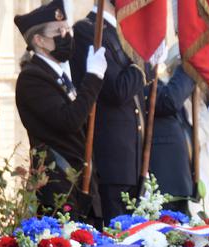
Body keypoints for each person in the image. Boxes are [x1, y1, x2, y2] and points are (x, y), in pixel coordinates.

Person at [14, 0, 107, 222]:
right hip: (58, 186)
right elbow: (69, 121)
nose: (67, 36)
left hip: (79, 184)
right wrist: (93, 78)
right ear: (39, 40)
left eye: (67, 29)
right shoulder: (32, 78)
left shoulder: (58, 75)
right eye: (59, 31)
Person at [71, 0, 154, 225]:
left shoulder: (120, 33)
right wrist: (143, 61)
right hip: (111, 161)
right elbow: (117, 90)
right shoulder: (88, 31)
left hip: (131, 161)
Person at [148, 61, 196, 215]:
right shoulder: (145, 76)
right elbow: (169, 100)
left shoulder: (159, 80)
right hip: (164, 180)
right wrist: (190, 65)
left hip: (180, 180)